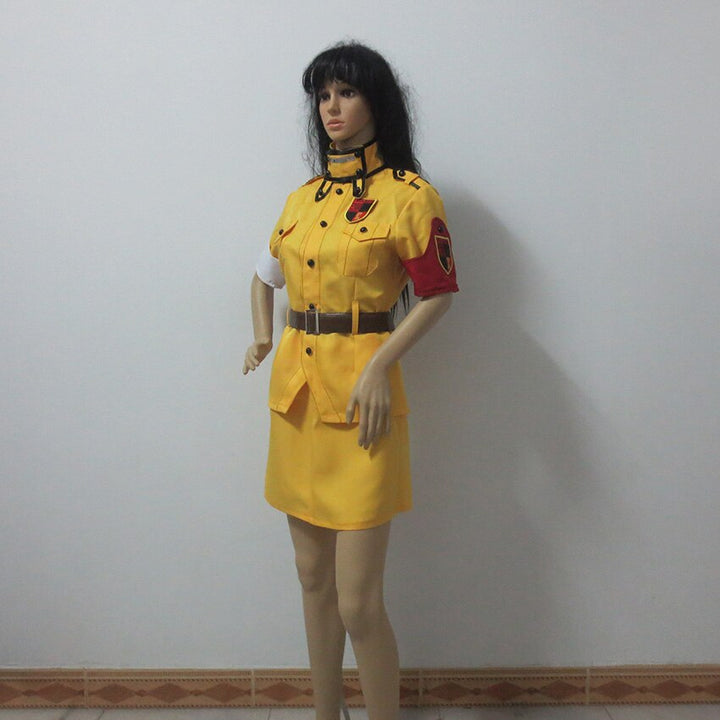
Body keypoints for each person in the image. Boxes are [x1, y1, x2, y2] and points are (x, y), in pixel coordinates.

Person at [243, 42, 458, 720]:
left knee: (359, 601)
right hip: (298, 401)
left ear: (377, 102)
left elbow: (437, 293)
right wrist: (263, 335)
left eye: (347, 92)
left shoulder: (409, 196)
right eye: (323, 95)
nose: (332, 107)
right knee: (312, 578)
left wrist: (381, 364)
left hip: (364, 405)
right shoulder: (302, 199)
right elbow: (263, 276)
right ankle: (325, 712)